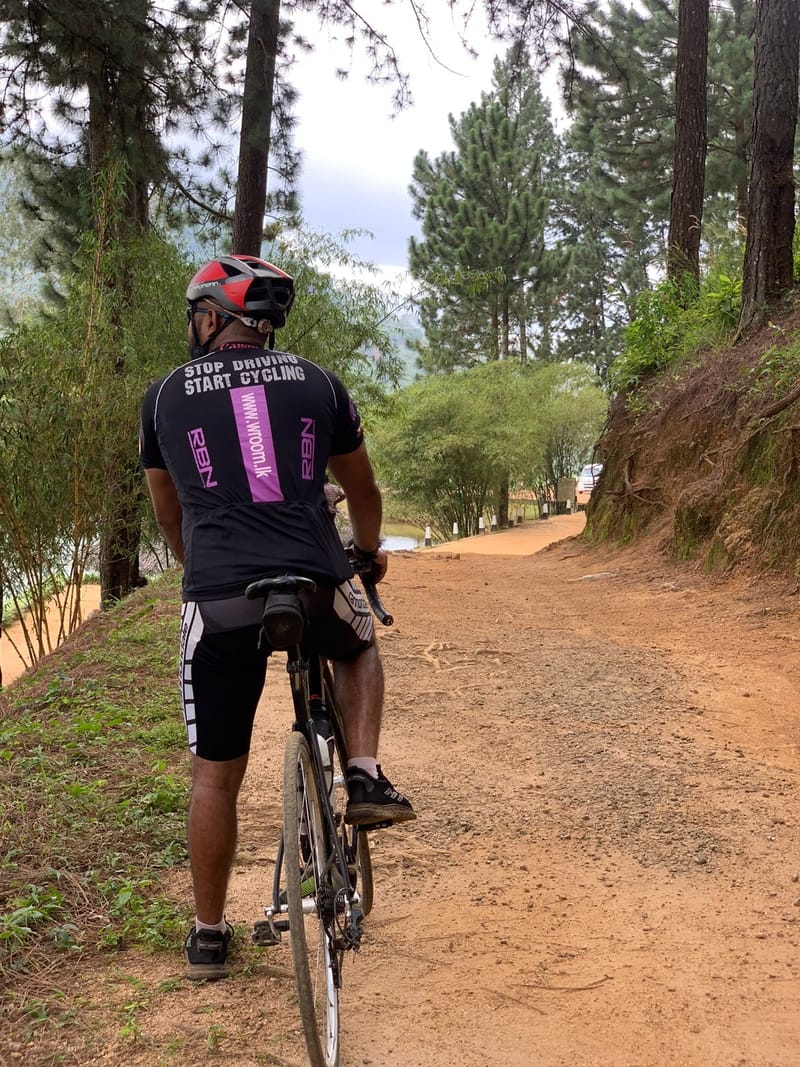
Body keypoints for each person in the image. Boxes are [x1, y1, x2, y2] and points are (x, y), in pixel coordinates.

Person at [139, 254, 415, 981]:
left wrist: (197, 567)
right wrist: (366, 551)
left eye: (197, 310)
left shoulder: (163, 396)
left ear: (212, 316)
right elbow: (362, 485)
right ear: (261, 324)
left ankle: (206, 936)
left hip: (220, 595)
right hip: (316, 578)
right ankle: (362, 775)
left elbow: (170, 513)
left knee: (213, 776)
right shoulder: (318, 381)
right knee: (357, 644)